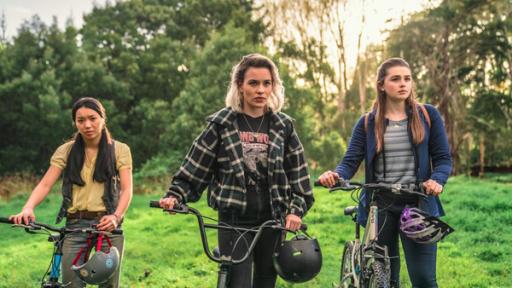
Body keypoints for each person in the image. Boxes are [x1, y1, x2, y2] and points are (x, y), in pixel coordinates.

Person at [159, 53, 314, 288]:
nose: (260, 90)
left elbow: (299, 177)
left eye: (266, 83)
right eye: (253, 83)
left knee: (265, 281)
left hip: (272, 220)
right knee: (236, 282)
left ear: (273, 86)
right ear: (240, 86)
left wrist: (295, 211)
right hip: (233, 220)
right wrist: (175, 195)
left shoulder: (283, 126)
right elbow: (196, 166)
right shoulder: (222, 124)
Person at [318, 58, 452, 288]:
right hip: (380, 206)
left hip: (417, 204)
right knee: (385, 279)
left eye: (407, 78)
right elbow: (349, 162)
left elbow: (443, 160)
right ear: (382, 85)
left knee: (424, 279)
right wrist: (336, 176)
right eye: (396, 79)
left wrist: (436, 180)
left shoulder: (427, 115)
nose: (403, 84)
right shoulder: (367, 123)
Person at [10, 97, 133, 288]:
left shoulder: (120, 150)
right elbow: (45, 184)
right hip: (75, 225)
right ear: (75, 123)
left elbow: (127, 189)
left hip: (108, 225)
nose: (87, 125)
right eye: (81, 120)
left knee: (109, 285)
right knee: (71, 284)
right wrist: (28, 208)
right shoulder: (66, 151)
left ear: (103, 118)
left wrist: (116, 216)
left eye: (92, 118)